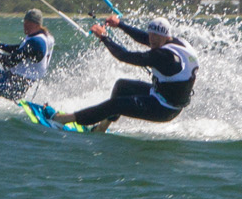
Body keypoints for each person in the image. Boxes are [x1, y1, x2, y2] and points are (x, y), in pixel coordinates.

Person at [43, 15, 197, 132]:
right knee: (122, 86)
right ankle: (102, 128)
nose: (152, 40)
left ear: (165, 36)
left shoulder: (163, 57)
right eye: (151, 35)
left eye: (156, 37)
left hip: (164, 108)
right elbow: (144, 38)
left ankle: (62, 119)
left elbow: (125, 56)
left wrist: (104, 38)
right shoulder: (178, 42)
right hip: (161, 95)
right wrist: (120, 25)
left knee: (117, 105)